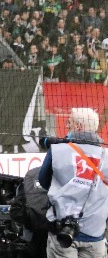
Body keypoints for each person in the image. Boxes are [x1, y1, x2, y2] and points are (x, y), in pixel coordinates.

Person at [38, 108, 107, 258]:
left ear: (78, 127)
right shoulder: (106, 155)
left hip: (62, 230)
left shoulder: (58, 150)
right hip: (95, 233)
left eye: (68, 122)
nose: (66, 125)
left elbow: (44, 181)